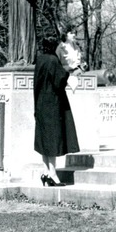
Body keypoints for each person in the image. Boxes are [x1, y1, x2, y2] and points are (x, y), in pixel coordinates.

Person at [33, 35, 79, 186]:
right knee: (52, 139)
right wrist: (70, 73)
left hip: (41, 103)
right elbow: (59, 81)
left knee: (44, 140)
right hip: (52, 103)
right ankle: (52, 173)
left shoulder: (40, 59)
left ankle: (46, 171)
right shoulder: (53, 60)